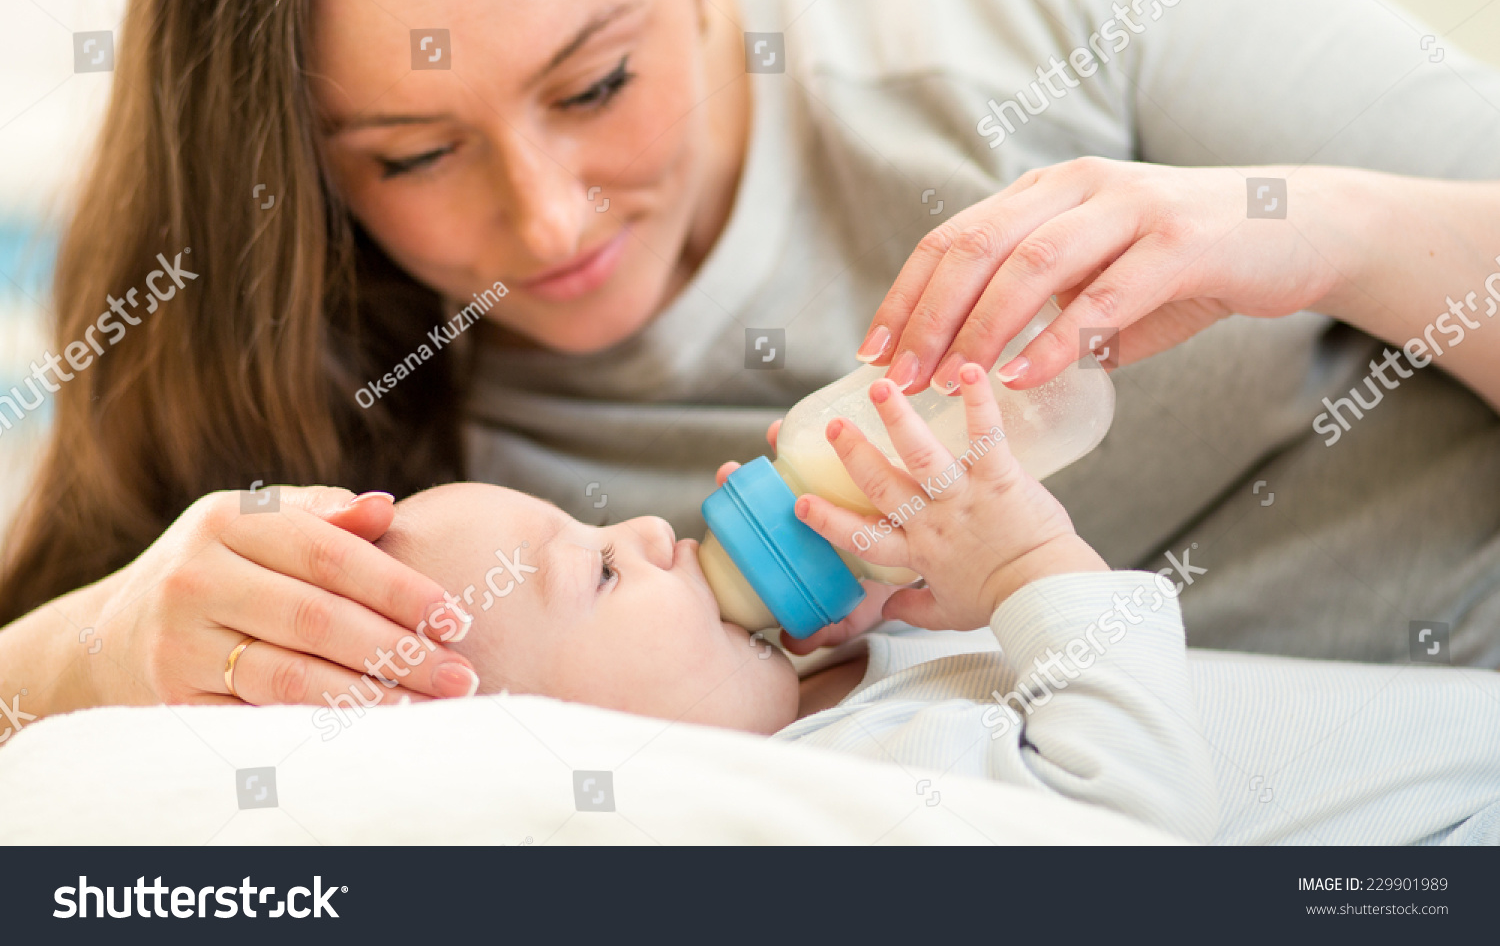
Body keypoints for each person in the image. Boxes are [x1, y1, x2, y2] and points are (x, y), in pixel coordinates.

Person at [3, 0, 1499, 723]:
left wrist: (1319, 230)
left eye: (597, 83)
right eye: (408, 156)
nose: (546, 218)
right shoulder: (334, 395)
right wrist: (85, 647)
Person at [372, 369, 1500, 845]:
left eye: (594, 523)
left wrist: (913, 610)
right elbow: (1128, 833)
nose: (642, 531)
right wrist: (1026, 571)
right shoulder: (839, 804)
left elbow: (1019, 704)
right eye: (600, 572)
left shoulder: (834, 701)